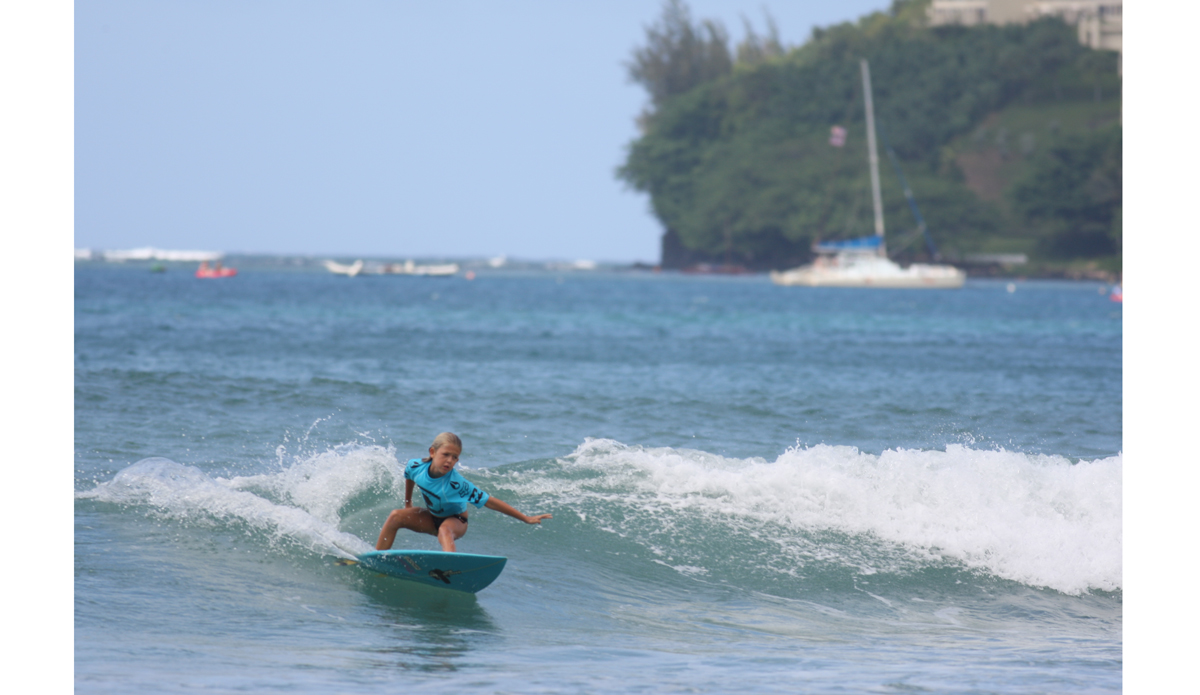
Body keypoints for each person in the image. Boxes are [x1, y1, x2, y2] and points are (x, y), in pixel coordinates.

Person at [375, 432, 552, 552]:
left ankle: (450, 569)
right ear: (432, 451)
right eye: (445, 454)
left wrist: (526, 518)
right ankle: (377, 558)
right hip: (431, 517)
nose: (449, 461)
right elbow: (409, 477)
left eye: (454, 457)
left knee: (445, 530)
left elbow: (490, 501)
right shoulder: (415, 466)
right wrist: (408, 503)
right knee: (396, 516)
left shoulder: (457, 484)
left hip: (456, 521)